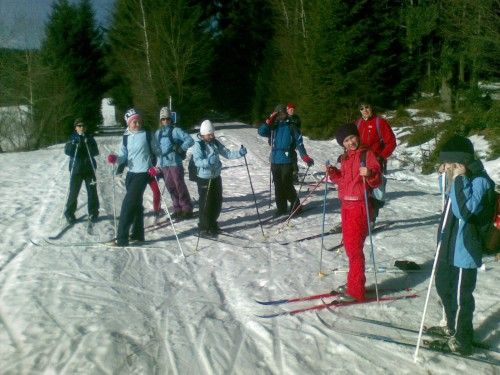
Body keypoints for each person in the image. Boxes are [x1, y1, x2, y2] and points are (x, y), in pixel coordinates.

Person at [430, 135, 496, 355]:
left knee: (461, 296)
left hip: (464, 249)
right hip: (448, 245)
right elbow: (448, 198)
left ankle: (462, 338)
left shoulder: (480, 181)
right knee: (443, 285)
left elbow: (464, 211)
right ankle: (450, 325)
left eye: (449, 163)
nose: (446, 166)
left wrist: (459, 179)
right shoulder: (460, 176)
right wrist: (445, 176)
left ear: (461, 162)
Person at [326, 123, 381, 301]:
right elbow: (343, 181)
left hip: (360, 207)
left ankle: (356, 291)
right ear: (342, 144)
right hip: (346, 207)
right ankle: (354, 282)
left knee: (354, 250)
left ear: (358, 136)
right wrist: (334, 173)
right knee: (350, 249)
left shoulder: (367, 154)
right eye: (346, 140)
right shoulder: (345, 158)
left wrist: (370, 173)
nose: (350, 142)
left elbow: (377, 181)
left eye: (352, 138)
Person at [107, 108, 160, 247]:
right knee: (136, 205)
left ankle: (121, 238)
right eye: (134, 122)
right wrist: (115, 158)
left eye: (138, 121)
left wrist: (156, 167)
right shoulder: (126, 137)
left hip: (143, 173)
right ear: (128, 123)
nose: (137, 124)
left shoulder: (147, 134)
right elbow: (123, 156)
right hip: (130, 174)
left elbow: (158, 152)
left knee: (128, 205)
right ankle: (138, 234)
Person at [192, 119, 247, 236]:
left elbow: (227, 153)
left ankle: (212, 223)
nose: (211, 136)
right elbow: (197, 162)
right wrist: (208, 162)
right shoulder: (198, 145)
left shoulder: (215, 143)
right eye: (209, 134)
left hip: (216, 176)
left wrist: (240, 153)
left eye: (212, 133)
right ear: (203, 134)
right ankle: (203, 226)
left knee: (217, 202)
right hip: (204, 178)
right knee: (206, 203)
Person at [258, 104, 314, 216]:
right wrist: (268, 121)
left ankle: (296, 206)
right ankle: (281, 208)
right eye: (279, 113)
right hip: (274, 160)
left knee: (286, 184)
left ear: (285, 113)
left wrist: (305, 157)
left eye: (283, 112)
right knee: (278, 185)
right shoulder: (273, 126)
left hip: (287, 159)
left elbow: (299, 142)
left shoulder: (291, 126)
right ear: (276, 114)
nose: (281, 115)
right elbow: (261, 132)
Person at [355, 102, 396, 224]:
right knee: (360, 191)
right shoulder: (358, 123)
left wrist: (381, 156)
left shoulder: (380, 122)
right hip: (360, 162)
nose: (365, 110)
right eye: (362, 108)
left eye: (367, 107)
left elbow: (391, 142)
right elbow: (352, 142)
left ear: (371, 107)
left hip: (376, 163)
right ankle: (359, 217)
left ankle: (371, 219)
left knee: (375, 192)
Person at [155, 106, 194, 220]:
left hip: (175, 163)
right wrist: (158, 165)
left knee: (179, 185)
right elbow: (156, 149)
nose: (165, 121)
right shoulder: (158, 133)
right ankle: (177, 208)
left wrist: (181, 148)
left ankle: (186, 208)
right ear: (160, 120)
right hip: (164, 164)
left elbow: (190, 140)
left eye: (167, 119)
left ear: (171, 119)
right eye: (163, 119)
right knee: (170, 186)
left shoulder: (176, 130)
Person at [64, 118, 100, 224]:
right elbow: (67, 151)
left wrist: (88, 143)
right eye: (79, 126)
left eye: (83, 126)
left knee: (92, 192)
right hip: (76, 169)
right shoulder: (72, 138)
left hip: (89, 169)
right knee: (73, 193)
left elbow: (95, 151)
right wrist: (74, 144)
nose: (81, 128)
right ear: (75, 128)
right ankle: (69, 214)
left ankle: (93, 212)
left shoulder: (89, 137)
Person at [286, 102, 302, 183]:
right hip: (285, 142)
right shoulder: (284, 117)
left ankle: (294, 176)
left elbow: (298, 127)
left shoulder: (296, 118)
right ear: (287, 109)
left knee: (293, 158)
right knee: (287, 159)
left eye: (293, 110)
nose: (292, 111)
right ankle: (287, 175)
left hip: (293, 141)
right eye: (290, 109)